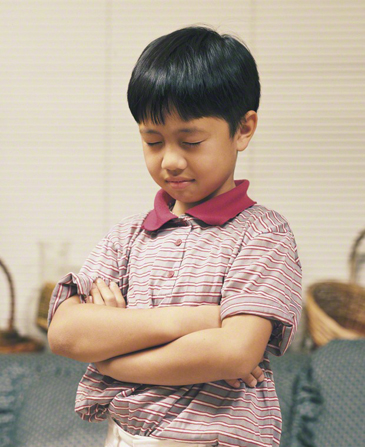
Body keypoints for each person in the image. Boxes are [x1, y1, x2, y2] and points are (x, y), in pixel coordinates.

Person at [47, 25, 302, 447]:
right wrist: (201, 319)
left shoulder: (263, 234)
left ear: (243, 129)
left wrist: (112, 359)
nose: (170, 160)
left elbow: (234, 353)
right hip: (125, 437)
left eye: (191, 141)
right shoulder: (128, 237)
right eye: (152, 140)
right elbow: (65, 333)